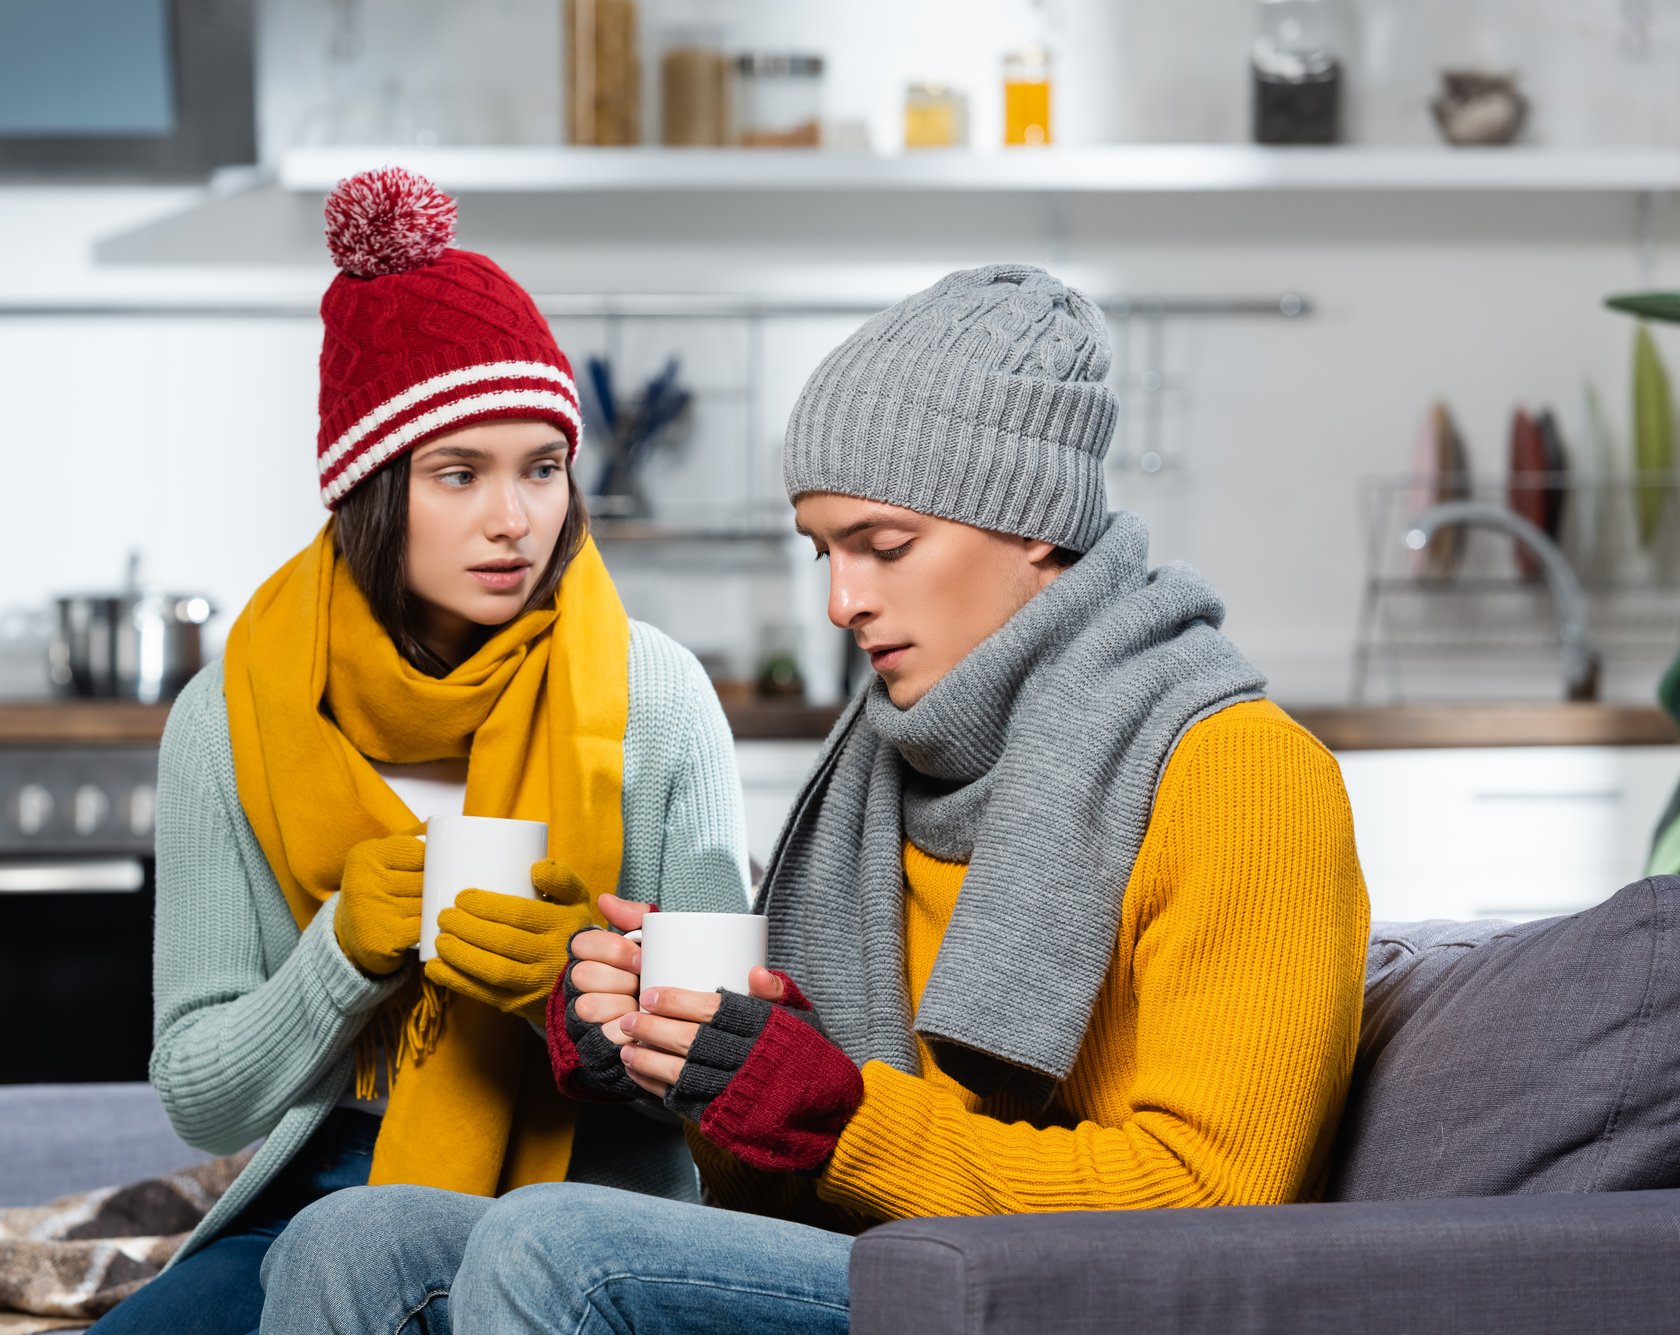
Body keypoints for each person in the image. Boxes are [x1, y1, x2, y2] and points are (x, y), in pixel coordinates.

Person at [264, 263, 1371, 1335]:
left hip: (1065, 1295)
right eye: (822, 553)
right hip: (886, 1259)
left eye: (882, 547)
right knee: (353, 1239)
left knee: (556, 1243)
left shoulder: (1241, 777)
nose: (843, 601)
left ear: (1033, 522)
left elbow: (1212, 1209)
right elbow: (778, 1188)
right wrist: (678, 1053)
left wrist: (832, 1109)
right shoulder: (887, 764)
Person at [89, 167, 750, 1335]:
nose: (515, 519)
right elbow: (199, 1092)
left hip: (589, 1201)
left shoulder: (657, 697)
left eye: (542, 467)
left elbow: (723, 1080)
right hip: (317, 1188)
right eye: (460, 474)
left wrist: (581, 997)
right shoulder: (230, 714)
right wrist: (342, 952)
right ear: (371, 490)